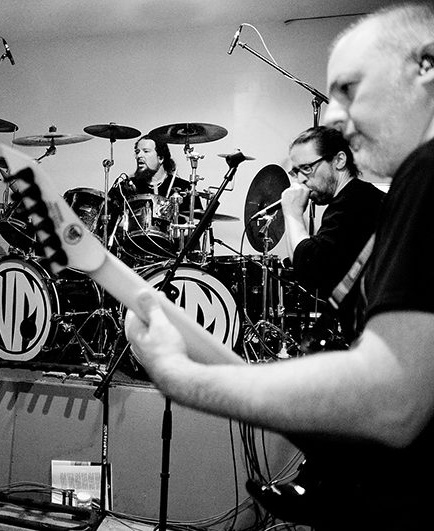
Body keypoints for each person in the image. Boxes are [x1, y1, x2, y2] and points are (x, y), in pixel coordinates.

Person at [125, 3, 434, 529]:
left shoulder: (423, 174)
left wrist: (184, 378)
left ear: (425, 68)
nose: (333, 117)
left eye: (350, 89)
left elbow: (394, 402)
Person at [281, 125, 384, 343]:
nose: (300, 180)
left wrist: (292, 214)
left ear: (339, 160)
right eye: (296, 172)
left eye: (306, 168)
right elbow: (303, 268)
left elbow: (311, 266)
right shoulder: (356, 199)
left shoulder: (353, 204)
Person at [110, 134, 197, 259]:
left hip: (173, 257)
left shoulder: (183, 187)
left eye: (146, 151)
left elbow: (197, 222)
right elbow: (106, 216)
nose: (139, 156)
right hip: (131, 255)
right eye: (137, 152)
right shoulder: (126, 187)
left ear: (160, 158)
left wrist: (178, 233)